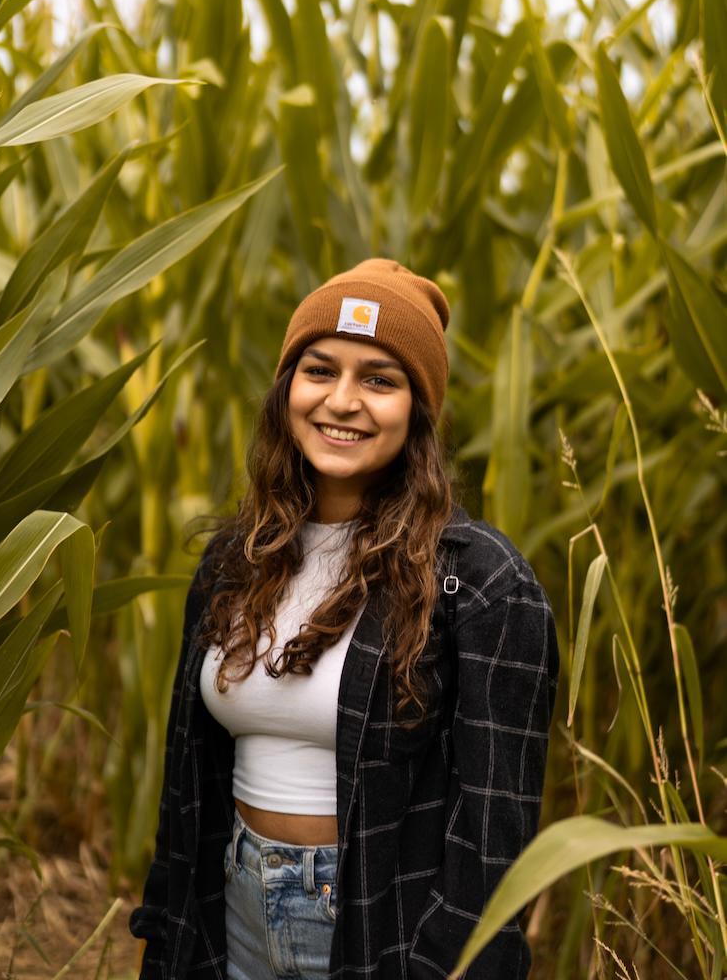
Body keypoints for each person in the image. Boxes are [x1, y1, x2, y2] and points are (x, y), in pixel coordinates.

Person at [128, 258, 559, 980]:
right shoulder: (237, 559)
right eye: (319, 370)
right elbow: (187, 788)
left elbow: (494, 839)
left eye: (380, 380)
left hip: (372, 926)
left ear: (418, 409)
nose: (343, 400)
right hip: (229, 910)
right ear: (287, 390)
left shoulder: (480, 582)